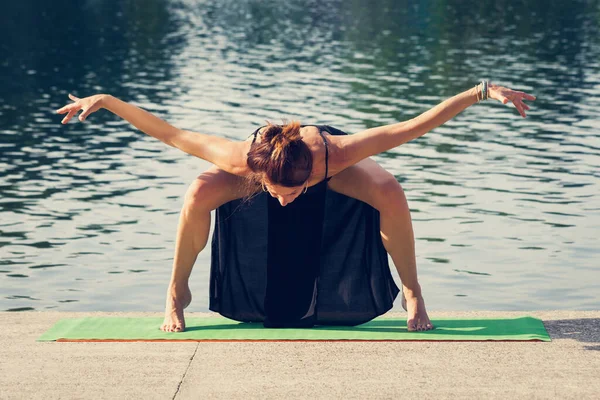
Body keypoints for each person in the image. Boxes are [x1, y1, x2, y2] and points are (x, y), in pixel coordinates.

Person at [56, 81, 535, 332]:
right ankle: (175, 291)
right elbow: (174, 134)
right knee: (199, 190)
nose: (284, 201)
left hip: (317, 153)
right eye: (276, 192)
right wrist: (108, 101)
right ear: (258, 175)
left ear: (312, 176)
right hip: (271, 154)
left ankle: (413, 292)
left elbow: (413, 126)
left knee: (390, 191)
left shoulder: (338, 154)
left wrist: (480, 92)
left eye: (293, 192)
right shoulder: (241, 160)